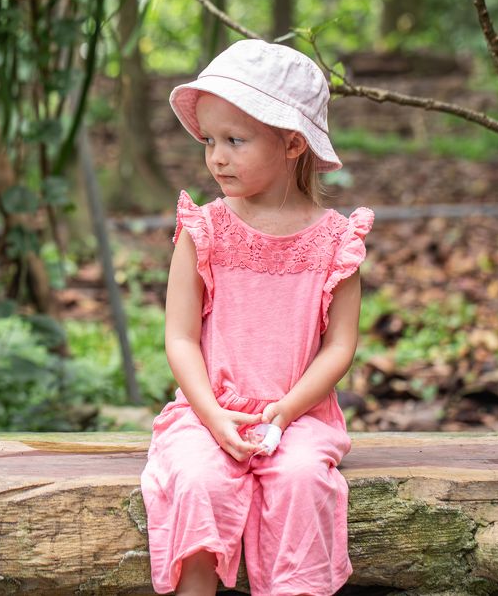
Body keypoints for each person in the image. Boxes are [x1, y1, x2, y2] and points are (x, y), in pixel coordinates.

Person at [140, 39, 374, 596]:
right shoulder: (205, 230)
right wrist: (213, 414)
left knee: (299, 481)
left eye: (234, 141)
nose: (215, 157)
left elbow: (340, 346)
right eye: (210, 141)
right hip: (206, 411)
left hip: (299, 415)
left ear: (293, 143)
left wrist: (288, 410)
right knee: (197, 480)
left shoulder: (335, 242)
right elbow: (180, 336)